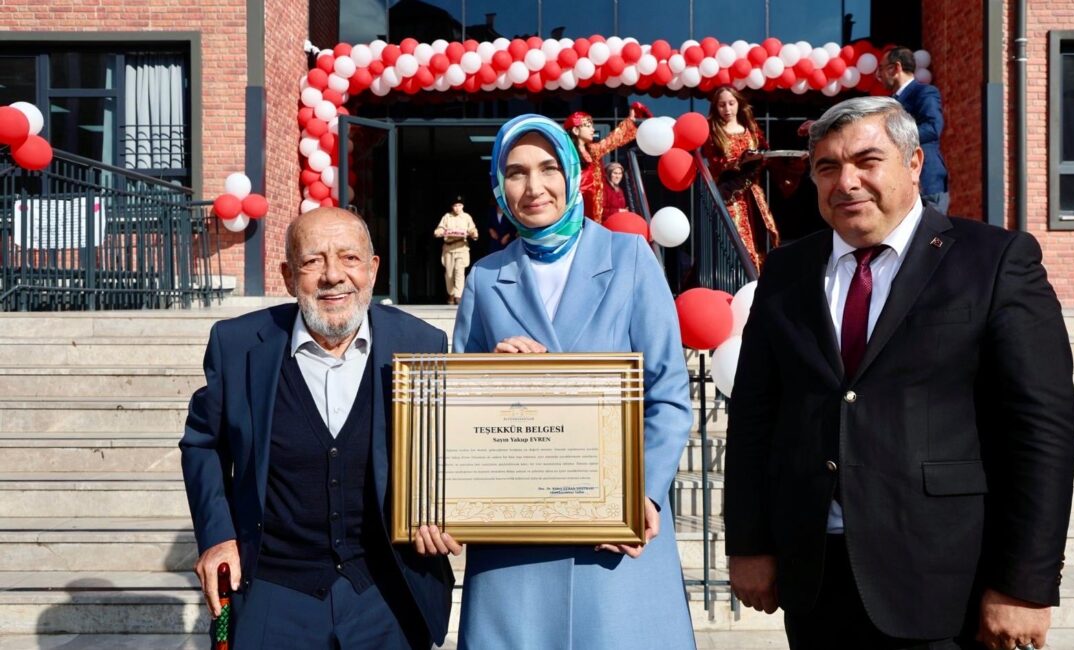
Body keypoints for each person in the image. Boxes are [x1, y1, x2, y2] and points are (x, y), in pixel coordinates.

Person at [724, 97, 1074, 650]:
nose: (847, 182)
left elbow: (1041, 430)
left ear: (913, 164)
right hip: (817, 581)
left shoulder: (994, 261)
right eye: (827, 167)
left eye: (868, 160)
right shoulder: (787, 271)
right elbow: (753, 416)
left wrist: (1025, 586)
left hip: (946, 583)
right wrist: (748, 543)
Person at [422, 114, 695, 649]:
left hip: (614, 537)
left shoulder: (630, 257)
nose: (534, 186)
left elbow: (667, 391)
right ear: (500, 185)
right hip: (515, 551)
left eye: (548, 168)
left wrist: (646, 492)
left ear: (571, 173)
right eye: (516, 172)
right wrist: (493, 377)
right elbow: (456, 411)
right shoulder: (483, 277)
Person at [180, 207, 455, 649]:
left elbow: (450, 443)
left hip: (385, 591)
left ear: (373, 268)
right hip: (273, 588)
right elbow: (202, 444)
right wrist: (218, 536)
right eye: (313, 261)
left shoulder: (421, 343)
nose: (333, 276)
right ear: (289, 276)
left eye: (349, 258)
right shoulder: (237, 345)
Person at [702, 85, 780, 273]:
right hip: (729, 195)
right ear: (716, 107)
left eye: (731, 103)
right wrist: (737, 165)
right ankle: (740, 281)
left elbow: (765, 154)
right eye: (722, 105)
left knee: (760, 238)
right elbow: (715, 164)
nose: (727, 109)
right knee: (737, 239)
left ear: (739, 103)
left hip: (752, 195)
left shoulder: (751, 129)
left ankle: (756, 283)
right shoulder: (713, 132)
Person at [877, 46, 950, 214]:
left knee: (933, 238)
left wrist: (890, 136)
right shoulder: (888, 103)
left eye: (881, 68)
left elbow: (932, 128)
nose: (878, 75)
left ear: (896, 68)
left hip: (926, 181)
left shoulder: (924, 92)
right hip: (898, 184)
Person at [564, 101, 650, 224]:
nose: (592, 130)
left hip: (595, 214)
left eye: (592, 126)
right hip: (575, 211)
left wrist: (630, 121)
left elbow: (613, 140)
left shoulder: (593, 151)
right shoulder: (566, 156)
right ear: (576, 131)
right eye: (588, 126)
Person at [434, 196, 479, 304]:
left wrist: (473, 233)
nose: (457, 208)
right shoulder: (447, 217)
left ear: (462, 206)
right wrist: (441, 232)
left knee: (460, 271)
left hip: (462, 248)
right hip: (449, 248)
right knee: (449, 274)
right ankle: (451, 294)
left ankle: (458, 296)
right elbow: (439, 229)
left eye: (459, 205)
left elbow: (473, 229)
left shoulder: (467, 217)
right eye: (455, 205)